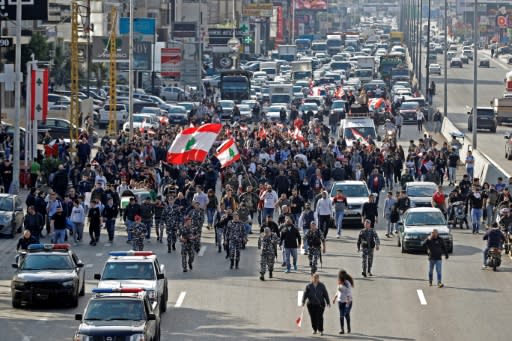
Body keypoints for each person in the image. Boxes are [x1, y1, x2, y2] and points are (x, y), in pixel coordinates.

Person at [332, 269, 354, 334]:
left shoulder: (347, 284)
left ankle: (348, 327)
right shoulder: (339, 281)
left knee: (346, 314)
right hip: (340, 301)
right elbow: (337, 291)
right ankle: (342, 329)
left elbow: (348, 293)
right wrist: (334, 298)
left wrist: (347, 300)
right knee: (341, 315)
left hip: (348, 302)